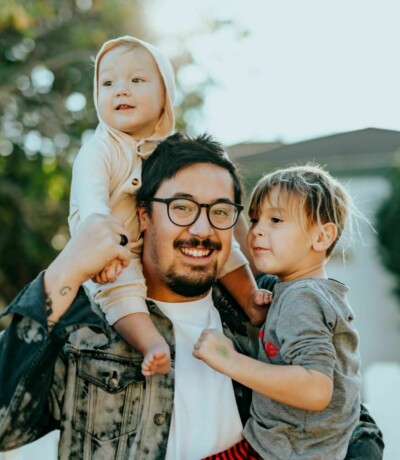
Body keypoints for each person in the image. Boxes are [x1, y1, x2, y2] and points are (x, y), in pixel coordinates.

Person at [0, 134, 383, 459]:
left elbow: (351, 418)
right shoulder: (84, 320)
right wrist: (64, 270)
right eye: (181, 207)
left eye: (219, 211)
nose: (202, 228)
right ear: (144, 215)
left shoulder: (264, 306)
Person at [68, 36, 268, 377]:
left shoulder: (172, 152)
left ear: (165, 96)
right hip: (110, 249)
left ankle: (251, 299)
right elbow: (93, 208)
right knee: (121, 292)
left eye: (136, 80)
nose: (121, 90)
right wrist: (104, 253)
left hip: (148, 244)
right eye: (108, 82)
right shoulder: (99, 150)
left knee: (223, 242)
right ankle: (152, 343)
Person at [194, 164, 369, 459]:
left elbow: (316, 389)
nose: (257, 230)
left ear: (322, 236)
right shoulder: (309, 292)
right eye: (254, 219)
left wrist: (228, 360)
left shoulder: (301, 298)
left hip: (282, 450)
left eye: (275, 219)